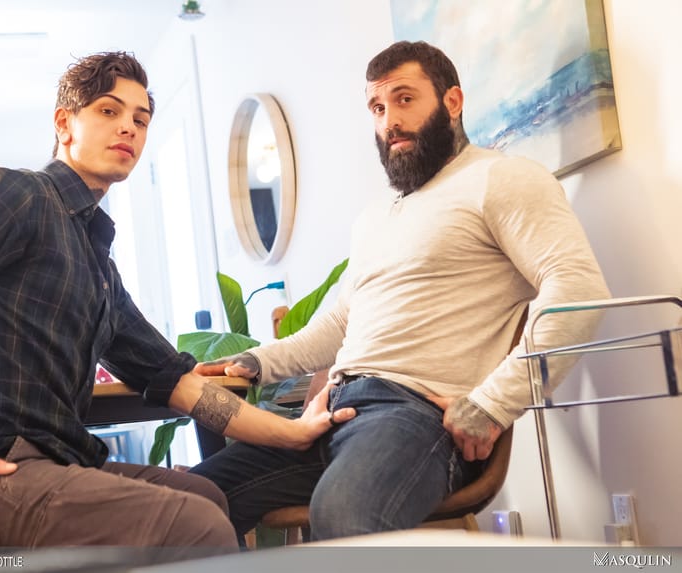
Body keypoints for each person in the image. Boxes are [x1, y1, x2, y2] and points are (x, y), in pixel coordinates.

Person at [0, 51, 355, 554]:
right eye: (108, 110)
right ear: (64, 123)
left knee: (209, 496)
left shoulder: (97, 264)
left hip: (56, 463)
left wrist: (294, 432)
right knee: (196, 524)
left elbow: (179, 384)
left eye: (140, 120)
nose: (128, 128)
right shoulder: (19, 195)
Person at [192, 40, 611, 541]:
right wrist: (255, 362)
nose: (389, 121)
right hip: (329, 413)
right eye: (377, 107)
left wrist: (494, 403)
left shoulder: (501, 178)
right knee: (184, 505)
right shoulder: (375, 217)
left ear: (452, 102)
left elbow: (578, 288)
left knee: (343, 513)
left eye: (404, 99)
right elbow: (339, 323)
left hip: (415, 416)